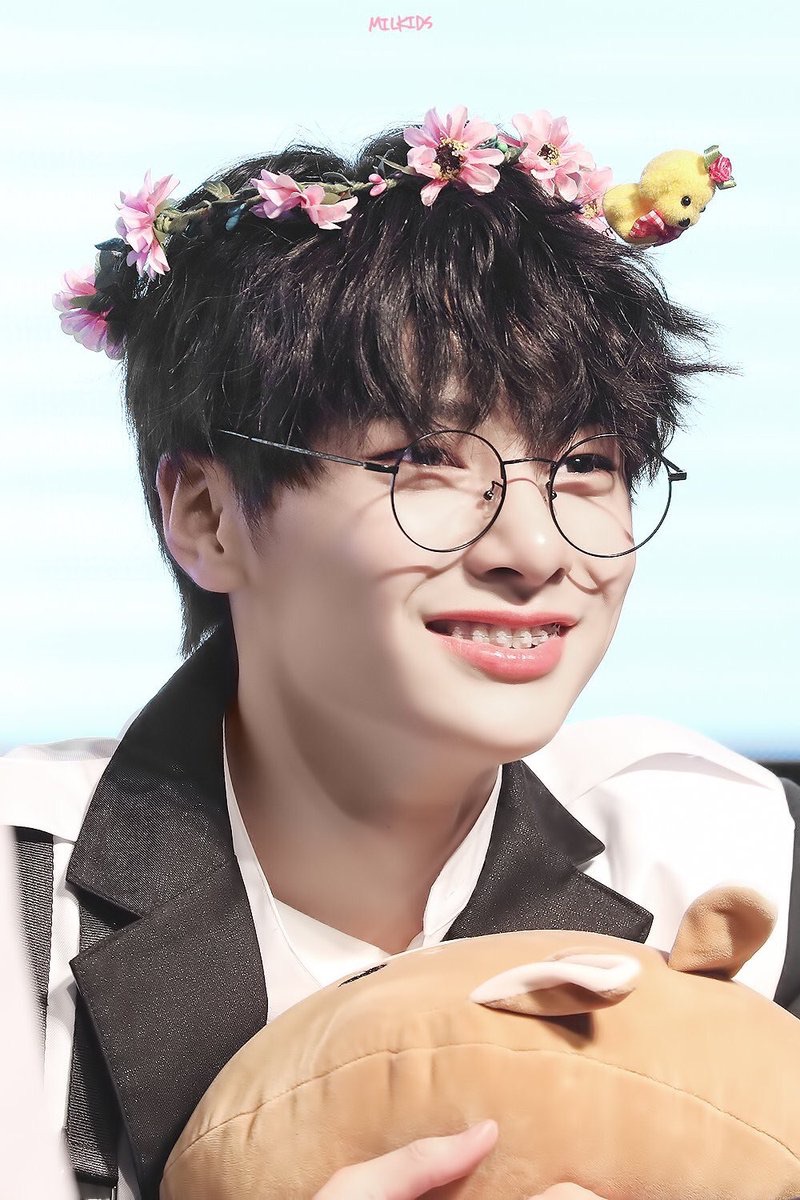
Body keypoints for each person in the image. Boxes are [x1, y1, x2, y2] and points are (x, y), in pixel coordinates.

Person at [5, 106, 798, 1200]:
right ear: (206, 514)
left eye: (586, 464)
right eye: (423, 458)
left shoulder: (719, 849)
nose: (535, 550)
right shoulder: (26, 895)